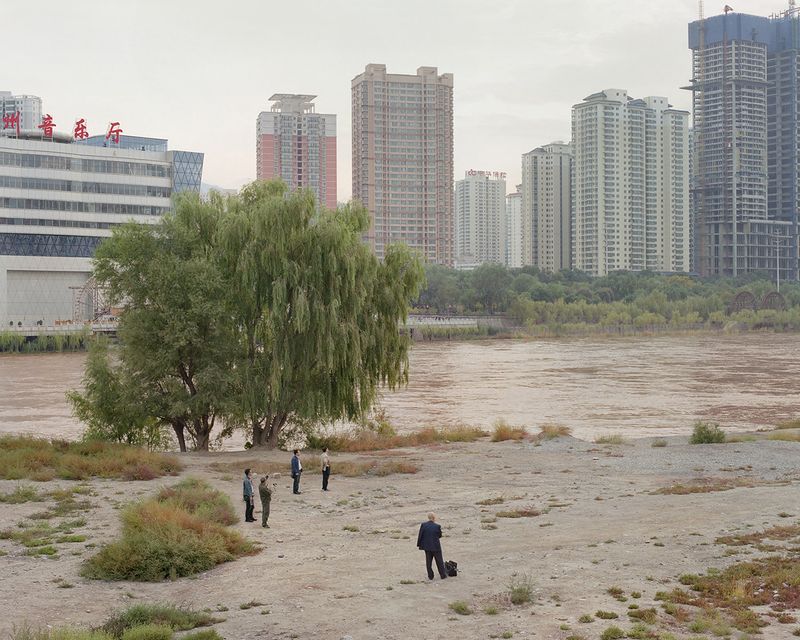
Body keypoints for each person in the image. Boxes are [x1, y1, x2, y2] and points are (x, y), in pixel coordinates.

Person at [417, 512, 447, 580]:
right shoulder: (437, 526)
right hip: (436, 546)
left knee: (428, 562)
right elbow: (439, 535)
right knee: (439, 561)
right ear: (434, 518)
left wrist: (419, 544)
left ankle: (430, 576)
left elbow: (420, 535)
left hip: (427, 547)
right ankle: (442, 575)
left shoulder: (423, 525)